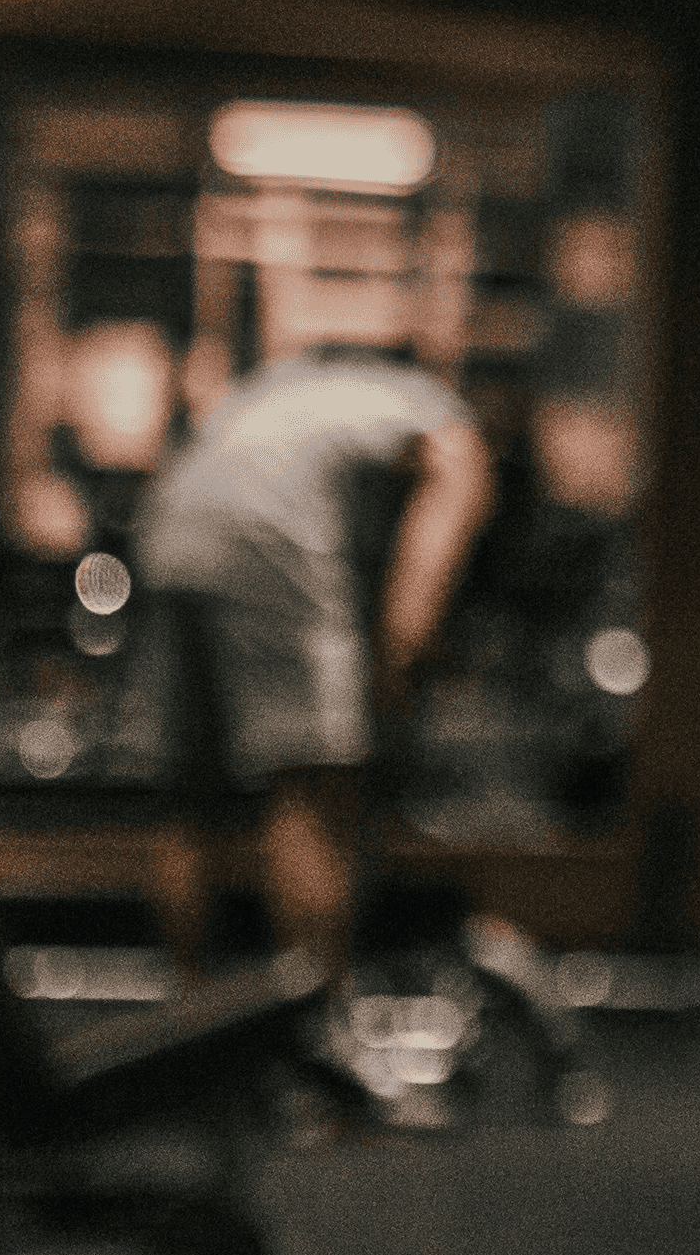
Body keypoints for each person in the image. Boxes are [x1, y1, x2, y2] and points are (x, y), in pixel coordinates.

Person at [136, 343, 494, 989]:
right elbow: (453, 495)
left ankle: (184, 1009)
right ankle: (317, 1019)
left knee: (193, 798)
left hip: (172, 527)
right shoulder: (432, 405)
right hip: (268, 529)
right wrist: (399, 652)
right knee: (314, 790)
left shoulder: (283, 385)